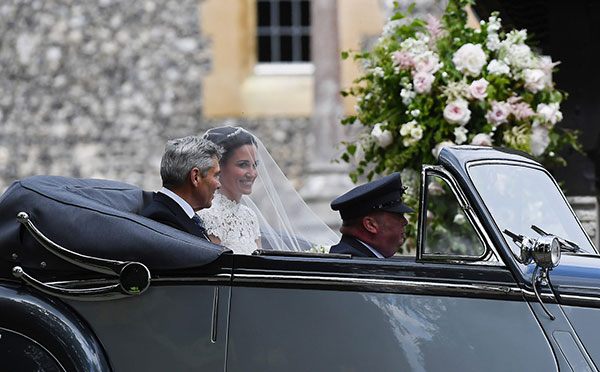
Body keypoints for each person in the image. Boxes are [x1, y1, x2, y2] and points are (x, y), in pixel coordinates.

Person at [198, 126, 339, 254]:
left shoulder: (249, 215)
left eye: (255, 165)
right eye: (243, 165)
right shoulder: (210, 215)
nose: (252, 173)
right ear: (218, 167)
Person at [141, 136, 223, 240]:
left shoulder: (175, 214)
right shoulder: (162, 222)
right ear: (195, 177)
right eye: (215, 175)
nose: (219, 185)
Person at [329, 172, 415, 258]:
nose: (405, 222)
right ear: (370, 224)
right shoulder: (355, 266)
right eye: (398, 215)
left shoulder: (361, 260)